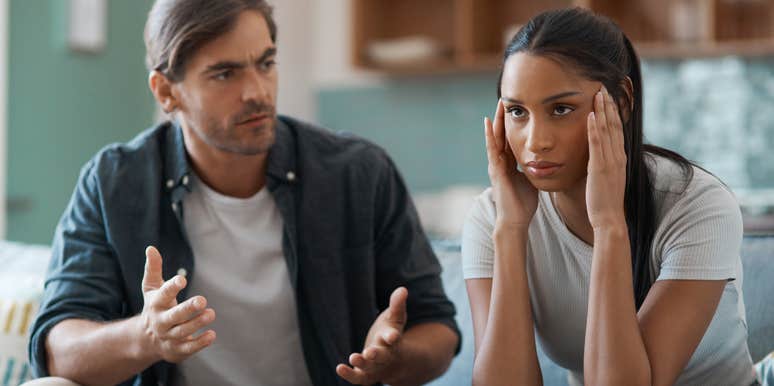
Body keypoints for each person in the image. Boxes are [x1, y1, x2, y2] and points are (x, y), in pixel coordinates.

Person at [26, 1, 460, 385]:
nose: (257, 92)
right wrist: (146, 336)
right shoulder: (114, 182)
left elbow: (438, 330)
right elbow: (57, 351)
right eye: (225, 73)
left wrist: (394, 358)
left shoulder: (359, 173)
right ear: (166, 91)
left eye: (266, 63)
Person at [462, 7, 762, 386]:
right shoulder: (494, 216)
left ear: (621, 102)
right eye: (517, 112)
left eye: (561, 109)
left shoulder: (697, 205)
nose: (536, 142)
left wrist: (608, 224)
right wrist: (509, 229)